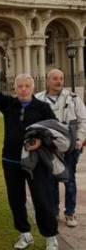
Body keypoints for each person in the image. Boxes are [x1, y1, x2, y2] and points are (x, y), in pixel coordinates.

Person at [0, 54, 59, 250]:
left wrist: (40, 142)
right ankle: (24, 234)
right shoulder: (9, 104)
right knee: (16, 199)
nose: (23, 89)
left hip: (35, 160)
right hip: (11, 160)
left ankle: (50, 236)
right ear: (15, 89)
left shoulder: (43, 107)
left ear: (32, 88)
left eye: (27, 86)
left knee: (42, 198)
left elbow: (53, 132)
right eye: (20, 86)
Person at [35, 68, 86, 227]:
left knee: (69, 180)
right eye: (55, 78)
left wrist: (79, 141)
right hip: (48, 148)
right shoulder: (38, 99)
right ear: (47, 80)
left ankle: (70, 213)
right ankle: (54, 211)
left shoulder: (73, 98)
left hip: (70, 148)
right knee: (51, 180)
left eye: (61, 78)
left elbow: (83, 120)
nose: (59, 82)